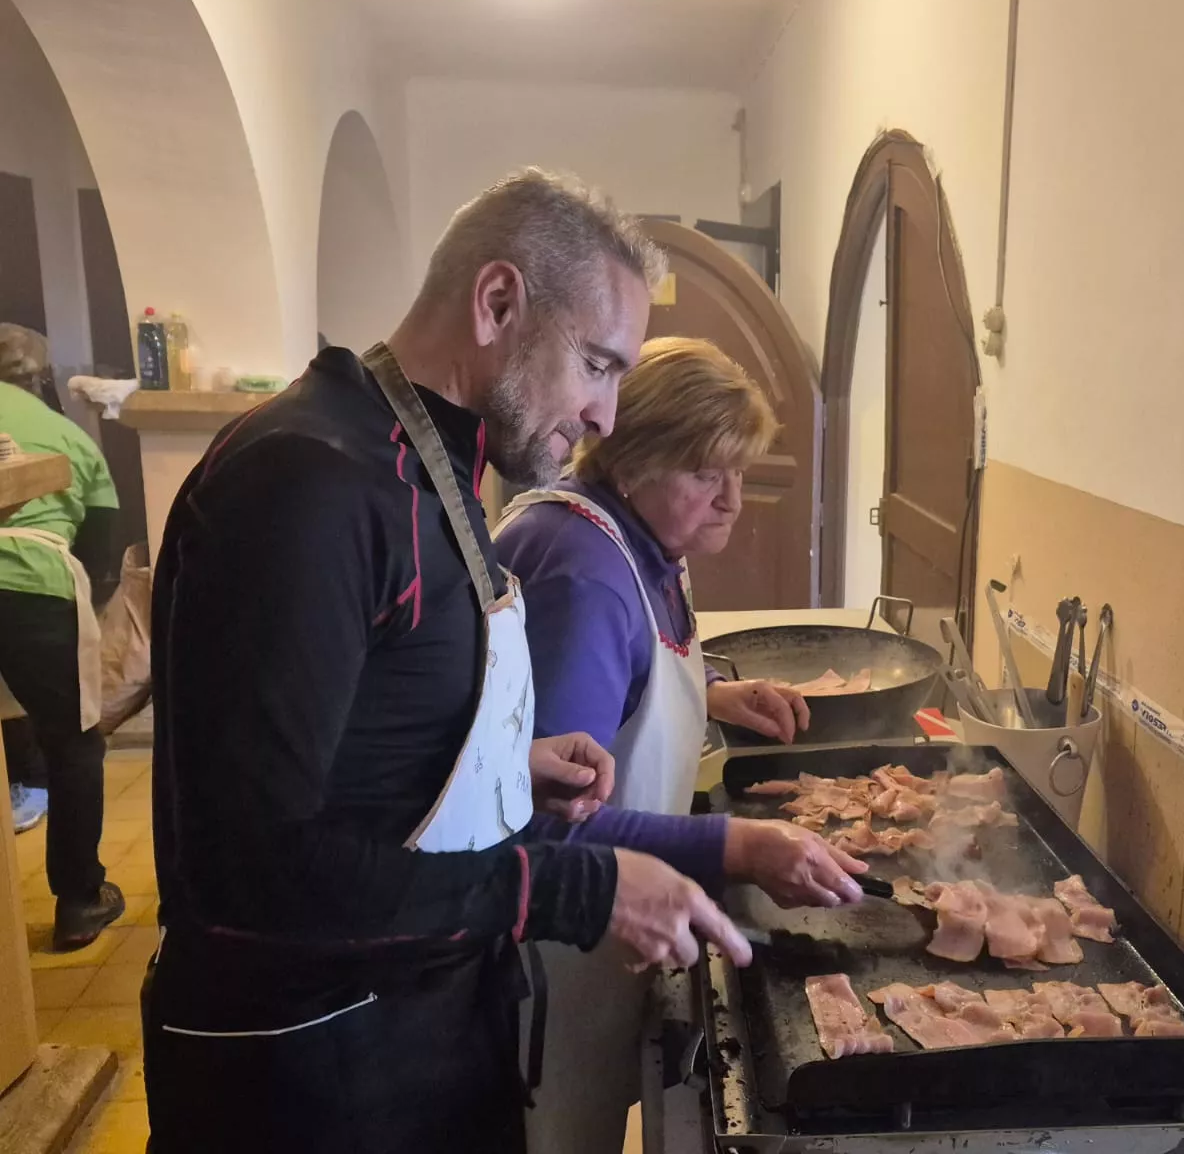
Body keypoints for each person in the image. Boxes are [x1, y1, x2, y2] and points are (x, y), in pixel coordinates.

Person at [141, 168, 752, 1154]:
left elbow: (369, 745)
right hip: (310, 1078)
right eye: (597, 365)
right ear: (497, 301)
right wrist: (576, 888)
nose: (606, 415)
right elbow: (251, 870)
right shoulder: (306, 481)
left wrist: (505, 773)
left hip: (427, 1035)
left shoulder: (434, 467)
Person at [494, 336, 868, 1152]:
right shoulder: (584, 571)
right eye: (706, 473)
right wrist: (741, 846)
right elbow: (550, 825)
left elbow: (624, 678)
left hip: (604, 935)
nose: (732, 499)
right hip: (552, 953)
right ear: (633, 461)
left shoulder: (642, 537)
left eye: (739, 470)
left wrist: (715, 695)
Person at [0, 324, 123, 947]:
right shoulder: (68, 435)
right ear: (38, 376)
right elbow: (100, 543)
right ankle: (79, 900)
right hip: (36, 586)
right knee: (73, 746)